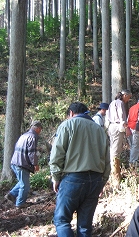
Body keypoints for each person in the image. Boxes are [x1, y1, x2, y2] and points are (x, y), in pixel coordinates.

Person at [49, 102, 110, 236]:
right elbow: (106, 160)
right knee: (85, 225)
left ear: (71, 113)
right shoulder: (100, 130)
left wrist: (56, 177)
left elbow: (56, 155)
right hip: (95, 180)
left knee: (61, 220)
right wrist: (102, 182)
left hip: (73, 178)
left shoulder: (67, 125)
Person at [5, 121, 43, 209]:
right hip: (22, 164)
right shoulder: (33, 137)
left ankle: (11, 195)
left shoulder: (24, 135)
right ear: (37, 129)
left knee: (22, 182)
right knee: (25, 185)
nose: (40, 131)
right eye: (40, 129)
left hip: (15, 162)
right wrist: (35, 164)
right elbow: (31, 153)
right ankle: (20, 203)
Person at [106, 89, 132, 184]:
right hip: (118, 126)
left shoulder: (112, 103)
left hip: (112, 126)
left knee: (114, 148)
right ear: (125, 95)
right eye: (128, 97)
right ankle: (115, 175)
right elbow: (122, 116)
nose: (128, 99)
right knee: (115, 150)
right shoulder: (120, 103)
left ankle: (115, 172)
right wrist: (126, 128)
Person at [127, 96, 139, 167]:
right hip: (136, 127)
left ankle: (131, 160)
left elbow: (128, 118)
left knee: (132, 145)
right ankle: (133, 161)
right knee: (135, 145)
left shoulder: (132, 107)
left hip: (129, 127)